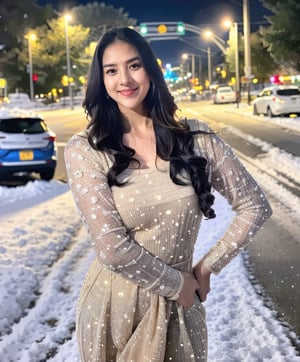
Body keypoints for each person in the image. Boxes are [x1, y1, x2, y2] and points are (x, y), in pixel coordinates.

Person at [64, 27, 272, 362]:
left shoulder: (196, 139)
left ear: (150, 68)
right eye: (111, 70)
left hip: (182, 303)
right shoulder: (87, 150)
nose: (125, 80)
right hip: (117, 303)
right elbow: (112, 249)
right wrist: (176, 284)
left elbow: (255, 206)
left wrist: (205, 269)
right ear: (101, 81)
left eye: (134, 65)